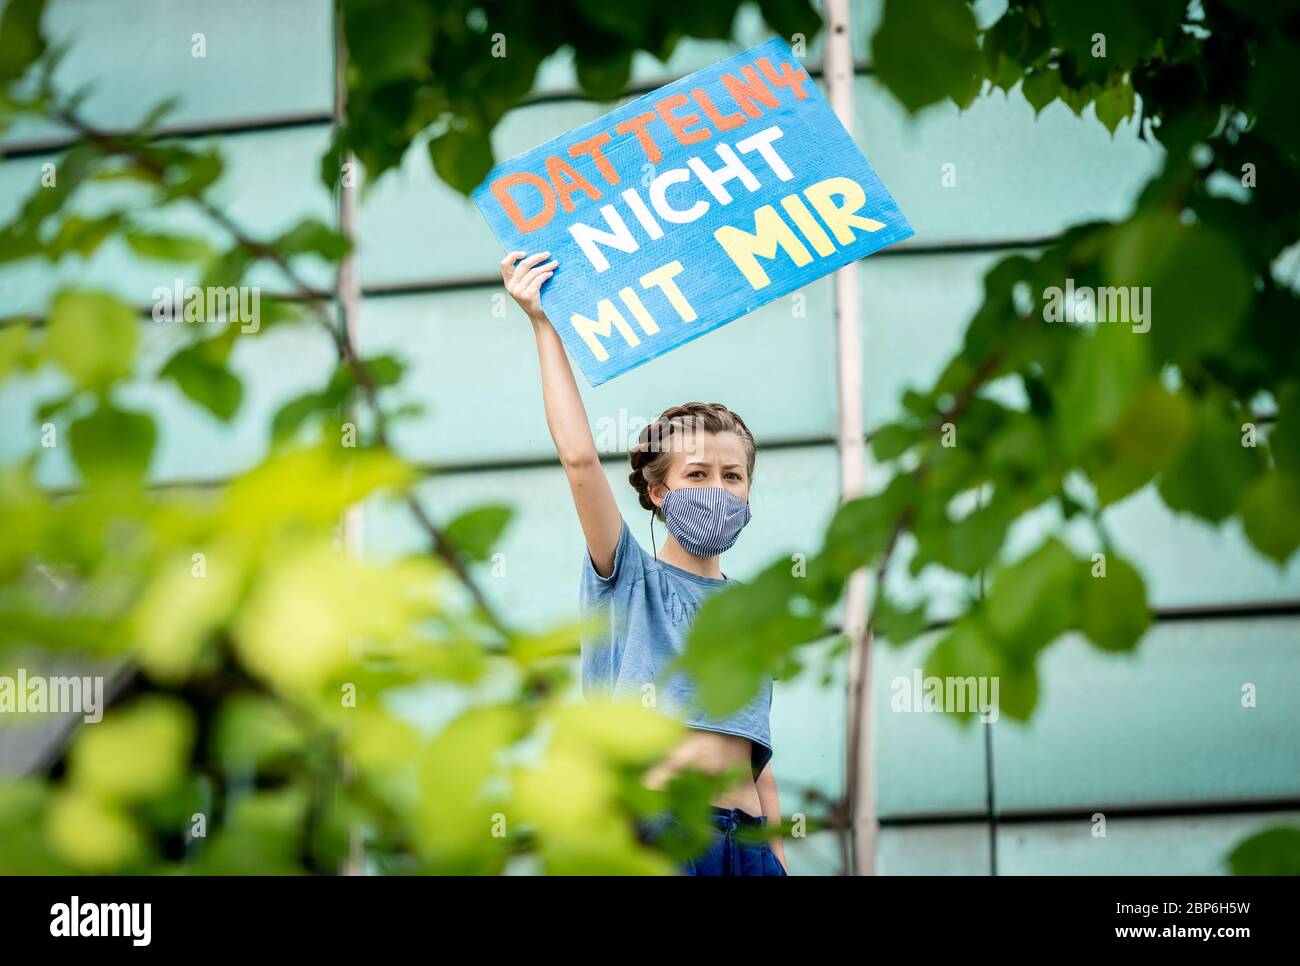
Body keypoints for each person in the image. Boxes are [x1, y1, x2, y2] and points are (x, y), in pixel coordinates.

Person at [501, 250, 788, 877]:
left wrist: (779, 860)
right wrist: (542, 325)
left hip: (747, 850)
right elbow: (579, 459)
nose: (719, 487)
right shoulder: (627, 576)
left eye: (733, 475)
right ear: (658, 492)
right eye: (697, 473)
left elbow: (757, 761)